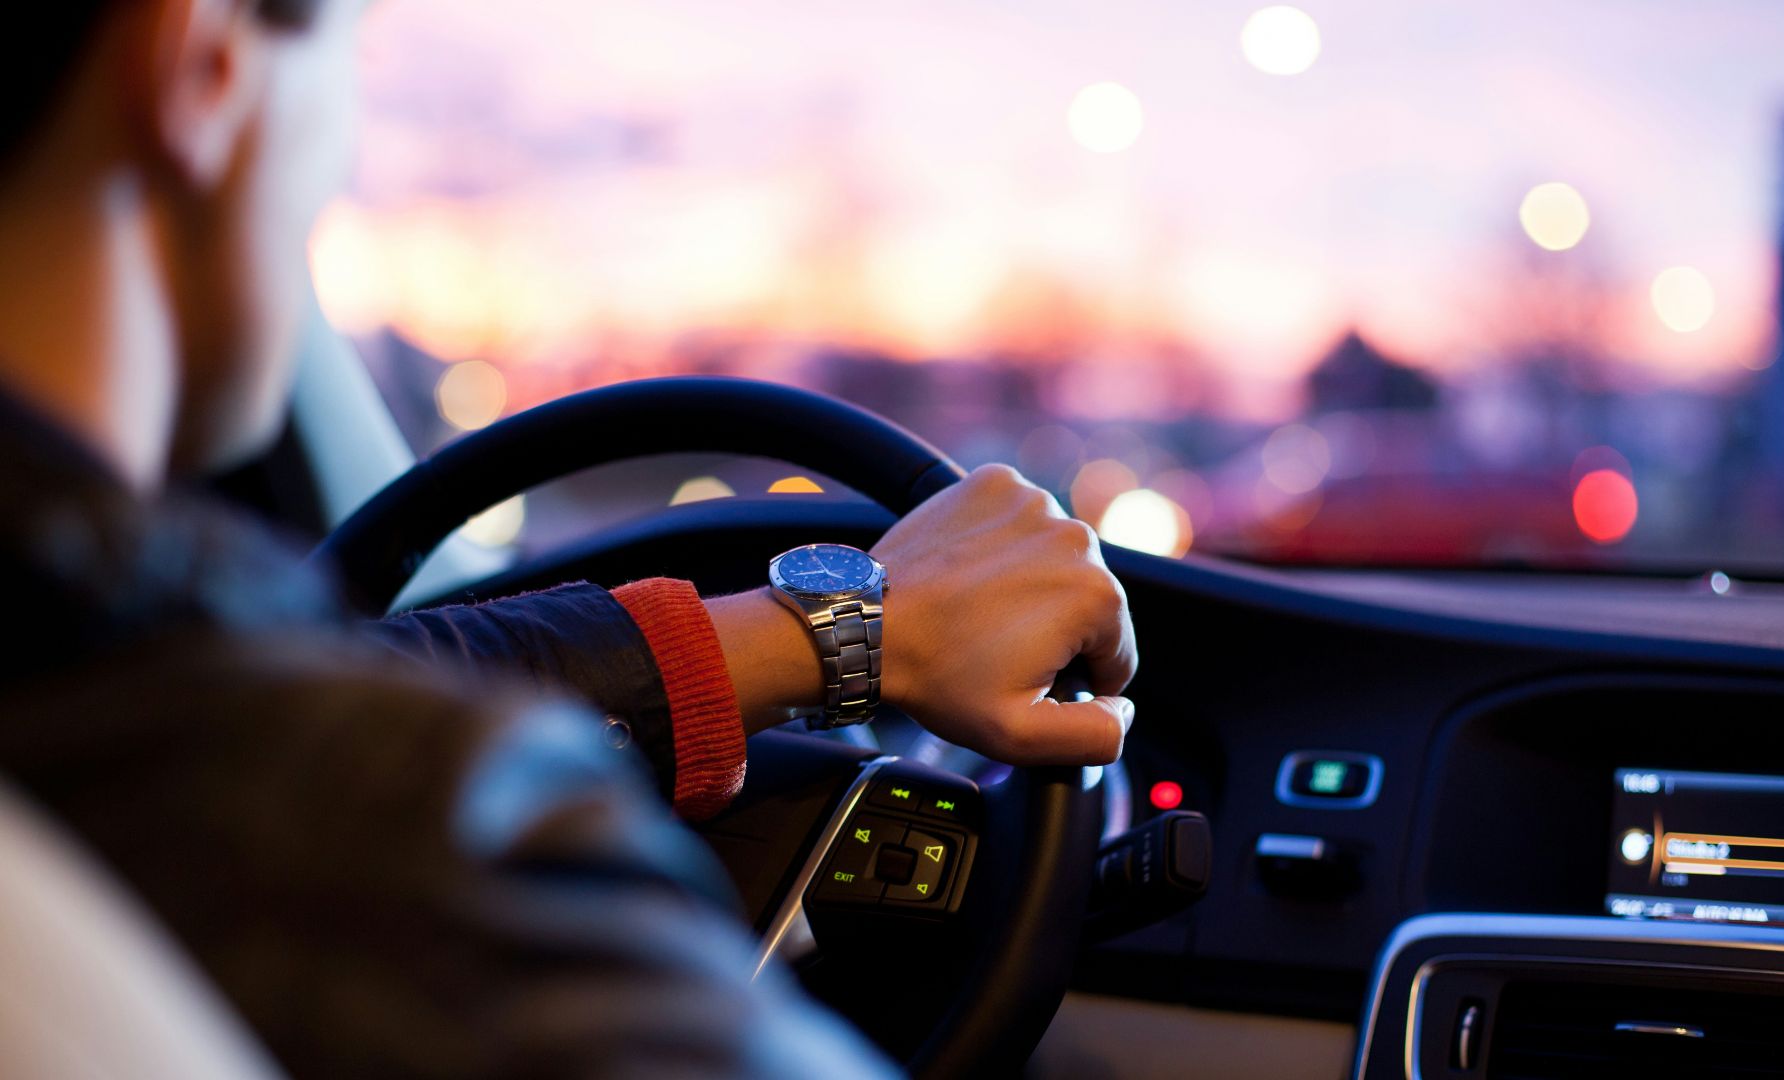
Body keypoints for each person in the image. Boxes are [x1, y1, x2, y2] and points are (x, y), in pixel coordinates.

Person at [0, 0, 1139, 1075]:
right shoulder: (411, 856)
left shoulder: (99, 696)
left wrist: (832, 635)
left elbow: (306, 675)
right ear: (205, 60)